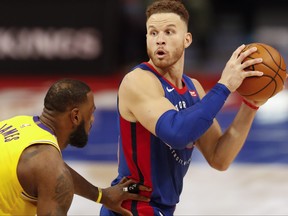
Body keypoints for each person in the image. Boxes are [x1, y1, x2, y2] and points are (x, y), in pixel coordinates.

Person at [100, 0, 286, 215]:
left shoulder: (193, 89)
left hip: (160, 208)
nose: (160, 40)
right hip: (132, 208)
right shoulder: (138, 80)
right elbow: (177, 133)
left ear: (187, 39)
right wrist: (224, 86)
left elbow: (219, 157)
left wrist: (250, 105)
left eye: (169, 32)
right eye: (153, 33)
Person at [0, 78, 151, 216]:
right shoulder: (51, 169)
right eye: (91, 112)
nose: (92, 119)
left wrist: (102, 196)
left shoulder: (18, 123)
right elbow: (55, 174)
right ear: (76, 116)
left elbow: (53, 171)